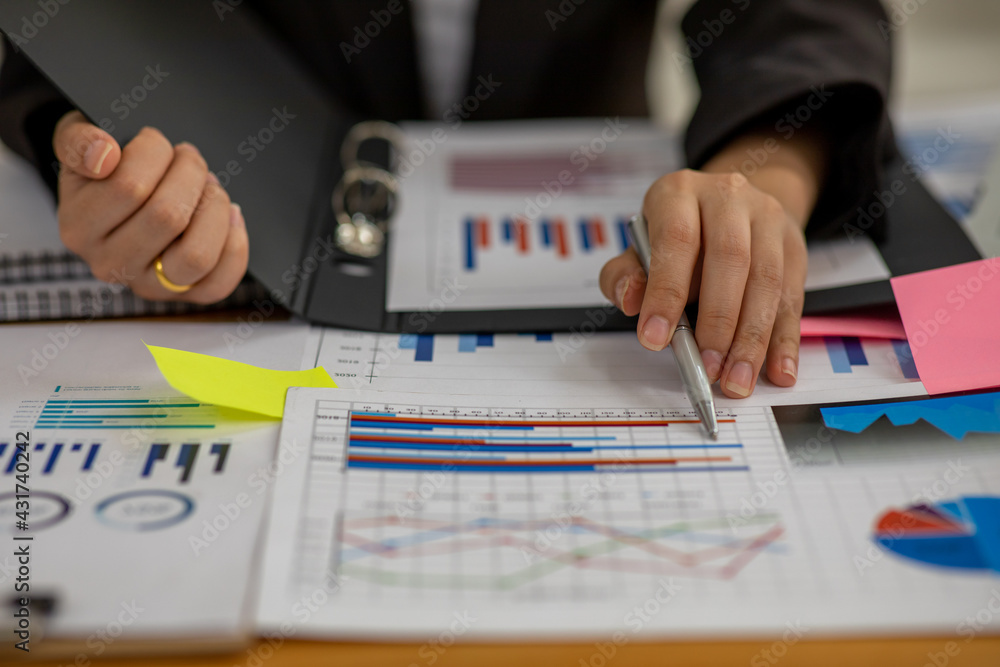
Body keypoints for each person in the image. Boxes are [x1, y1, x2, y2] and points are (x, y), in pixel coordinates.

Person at [0, 0, 895, 398]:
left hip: (589, 237)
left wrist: (763, 172)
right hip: (252, 254)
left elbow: (799, 9)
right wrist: (81, 146)